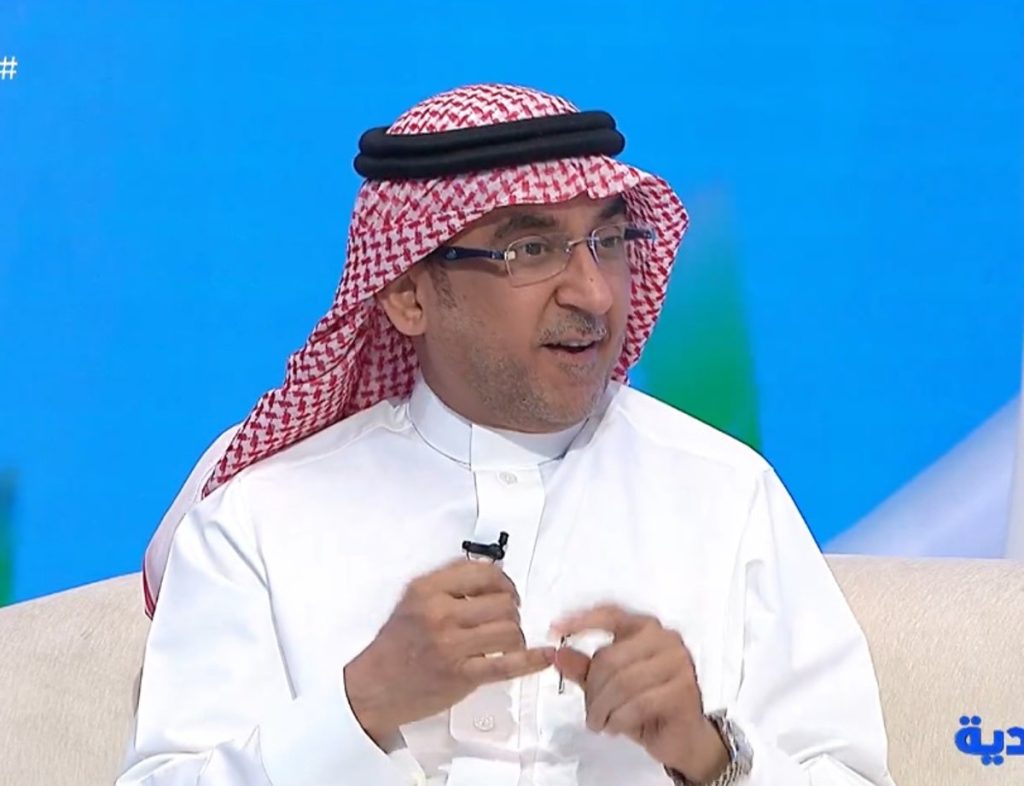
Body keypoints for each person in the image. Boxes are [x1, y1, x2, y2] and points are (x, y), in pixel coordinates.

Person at [119, 84, 896, 786]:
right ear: (408, 293)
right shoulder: (261, 519)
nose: (593, 293)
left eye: (608, 242)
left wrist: (708, 754)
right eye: (531, 250)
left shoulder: (726, 494)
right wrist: (361, 705)